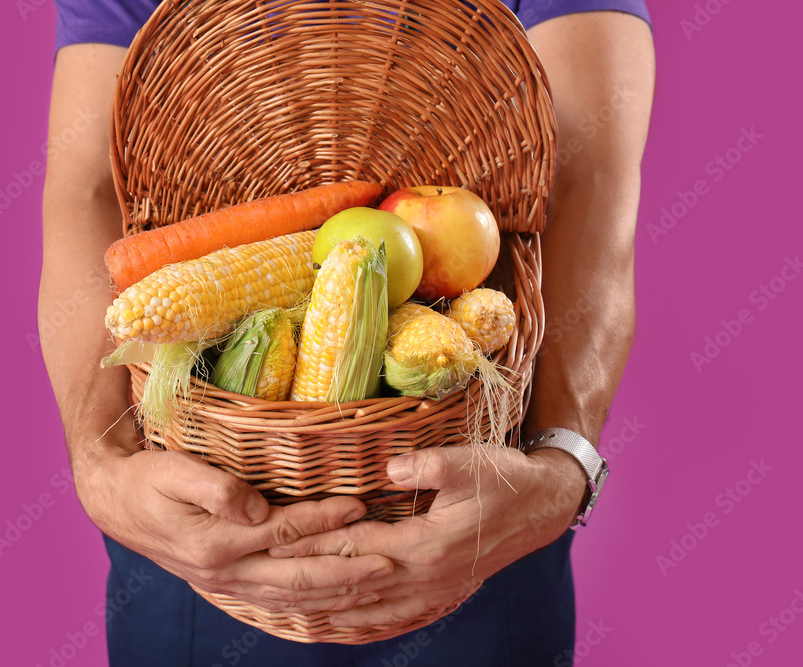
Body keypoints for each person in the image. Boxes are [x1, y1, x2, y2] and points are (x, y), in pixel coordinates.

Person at [39, 1, 655, 664]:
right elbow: (89, 186)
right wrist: (102, 467)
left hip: (481, 519)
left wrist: (562, 465)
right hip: (201, 539)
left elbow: (590, 178)